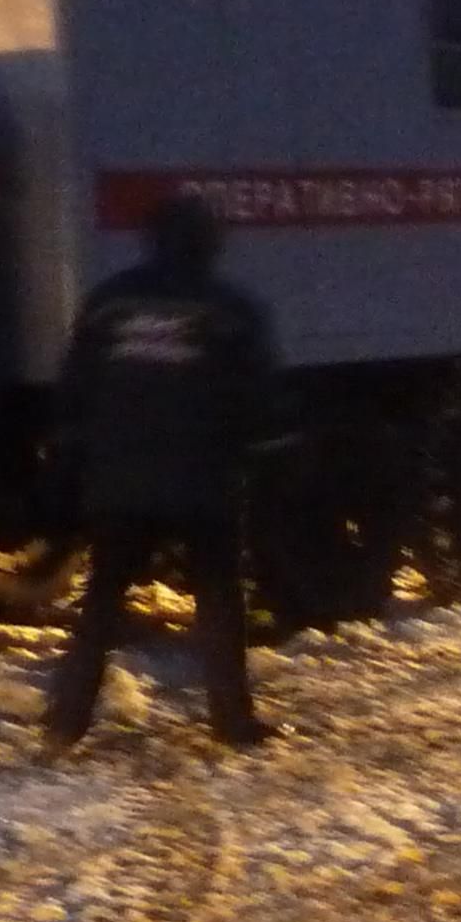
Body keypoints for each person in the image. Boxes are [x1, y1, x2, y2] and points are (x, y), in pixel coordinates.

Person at [46, 193, 278, 751]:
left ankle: (65, 722)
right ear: (210, 243)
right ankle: (232, 721)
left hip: (119, 483)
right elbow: (259, 402)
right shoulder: (232, 311)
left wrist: (76, 462)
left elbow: (75, 390)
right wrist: (260, 461)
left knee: (102, 601)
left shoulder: (108, 304)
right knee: (219, 600)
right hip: (202, 483)